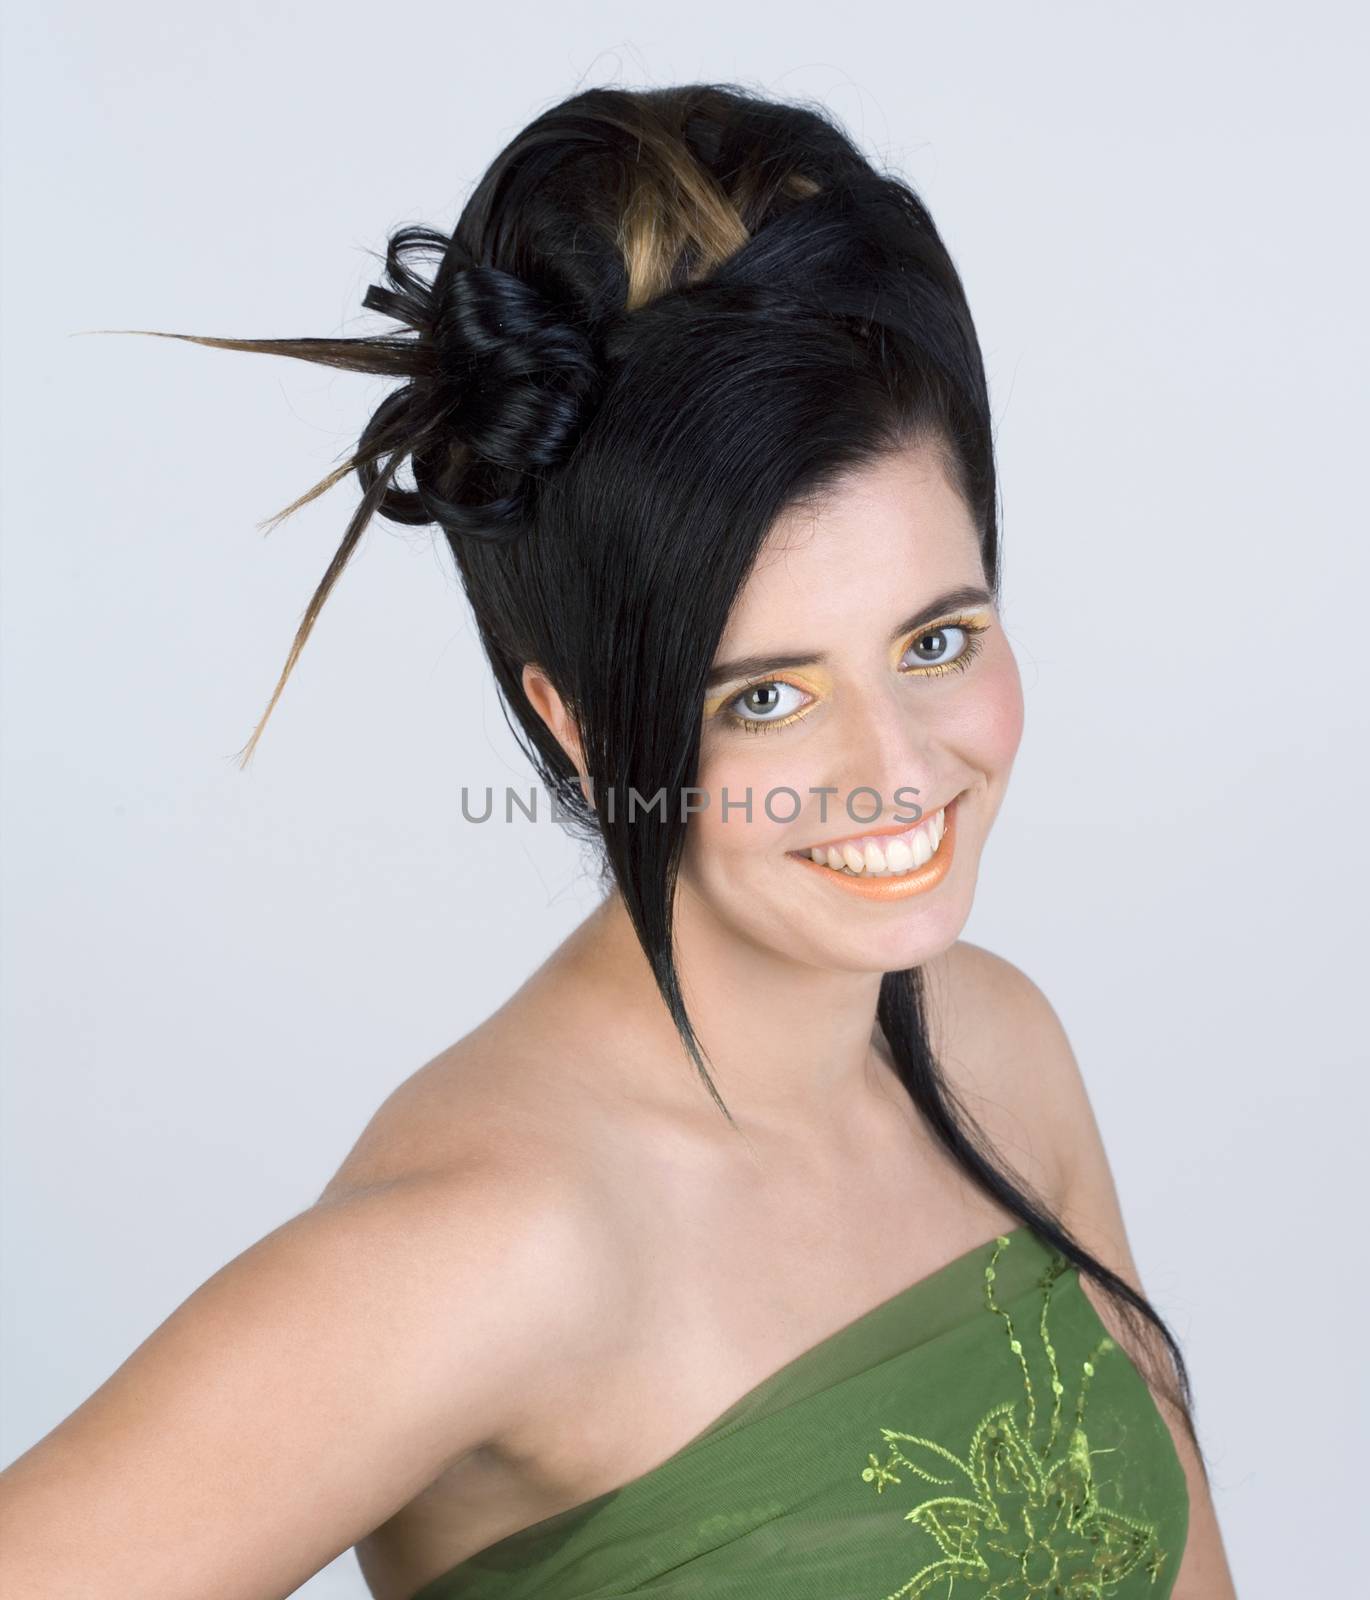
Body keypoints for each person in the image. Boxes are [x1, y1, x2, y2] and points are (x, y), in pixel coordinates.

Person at [0, 83, 1236, 1599]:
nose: (899, 774)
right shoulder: (485, 1252)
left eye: (936, 641)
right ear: (583, 726)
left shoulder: (998, 1050)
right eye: (768, 697)